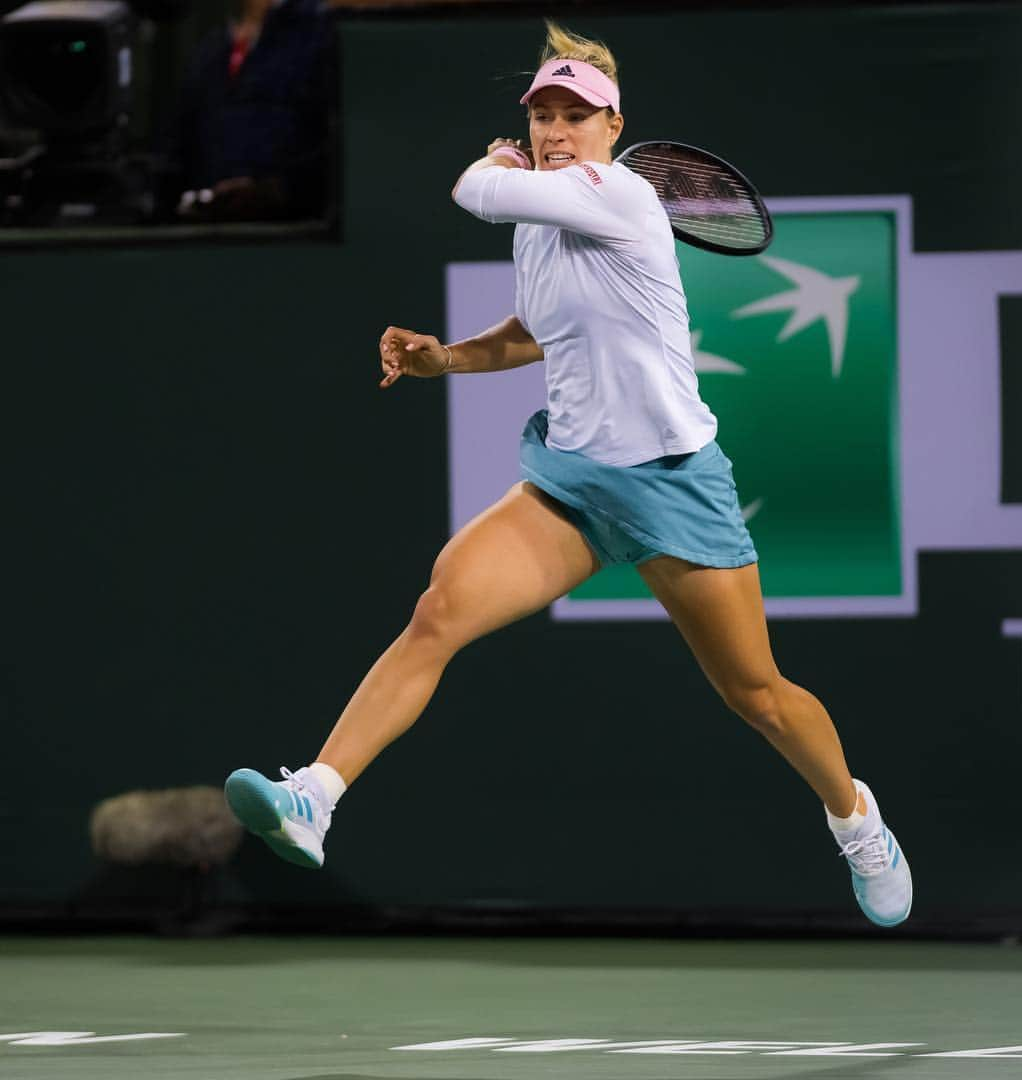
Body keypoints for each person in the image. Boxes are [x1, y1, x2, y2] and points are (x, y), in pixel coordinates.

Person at [225, 22, 913, 928]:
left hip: (672, 482)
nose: (556, 130)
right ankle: (317, 795)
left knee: (760, 697)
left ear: (614, 126)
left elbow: (473, 188)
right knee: (438, 612)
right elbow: (533, 331)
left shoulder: (619, 196)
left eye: (574, 117)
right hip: (574, 481)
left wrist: (498, 165)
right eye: (542, 115)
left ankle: (856, 819)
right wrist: (444, 360)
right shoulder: (544, 218)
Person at [168, 0, 335, 222]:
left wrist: (276, 190)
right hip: (208, 239)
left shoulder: (319, 31)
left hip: (292, 238)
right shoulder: (211, 50)